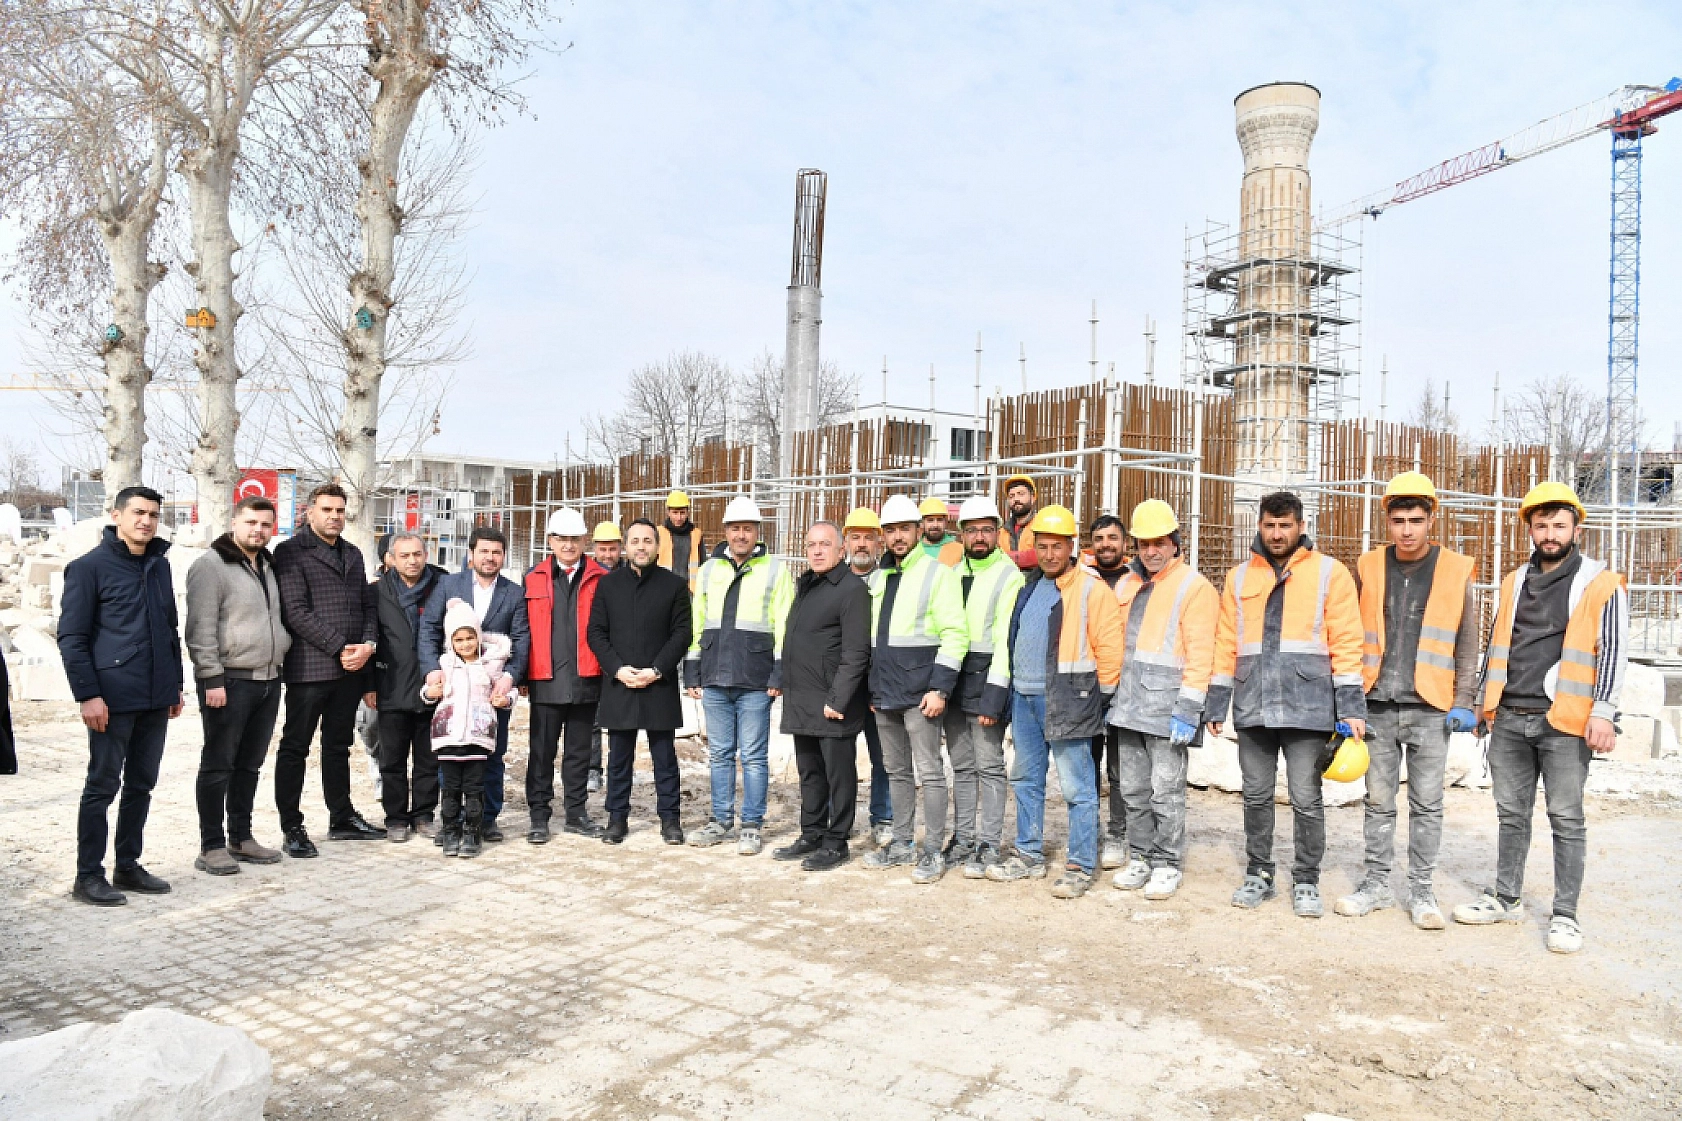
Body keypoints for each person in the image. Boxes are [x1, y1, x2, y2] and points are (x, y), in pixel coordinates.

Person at [1454, 481, 1627, 956]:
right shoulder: (1514, 581)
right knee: (1512, 816)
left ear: (1576, 528)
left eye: (1559, 525)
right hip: (1510, 715)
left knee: (1566, 818)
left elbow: (1610, 651)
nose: (1550, 534)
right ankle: (1507, 897)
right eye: (1541, 525)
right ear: (1529, 528)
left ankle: (1565, 916)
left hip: (1565, 722)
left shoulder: (1599, 583)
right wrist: (1482, 705)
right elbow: (1496, 644)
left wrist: (1604, 713)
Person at [1206, 490, 1366, 919]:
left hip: (1307, 705)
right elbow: (1226, 642)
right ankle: (1259, 872)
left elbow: (1348, 641)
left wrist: (1351, 707)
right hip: (1254, 703)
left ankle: (1307, 879)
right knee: (1256, 796)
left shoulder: (1331, 574)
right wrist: (1217, 702)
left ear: (1300, 526)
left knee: (1305, 798)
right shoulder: (1239, 577)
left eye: (1285, 526)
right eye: (1270, 526)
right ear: (1259, 526)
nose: (1277, 534)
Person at [1339, 473, 1481, 929]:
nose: (1406, 530)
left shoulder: (1455, 571)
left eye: (1416, 520)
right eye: (1398, 520)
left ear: (1431, 519)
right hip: (1376, 700)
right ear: (1387, 520)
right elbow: (1346, 634)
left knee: (1427, 803)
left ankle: (1421, 890)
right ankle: (1377, 885)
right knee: (1377, 801)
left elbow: (1467, 642)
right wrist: (1346, 699)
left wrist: (1465, 699)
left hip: (1431, 705)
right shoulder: (1368, 566)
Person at [986, 504, 1123, 899]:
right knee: (1026, 779)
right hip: (1026, 698)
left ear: (1071, 547)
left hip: (1069, 699)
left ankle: (1080, 864)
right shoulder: (1030, 586)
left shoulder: (1092, 589)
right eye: (1042, 546)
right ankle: (1028, 855)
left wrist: (1101, 700)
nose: (1049, 554)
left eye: (1056, 546)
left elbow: (1110, 650)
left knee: (1078, 787)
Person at [58, 485, 185, 906]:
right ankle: (87, 875)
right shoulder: (88, 568)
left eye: (152, 514)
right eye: (137, 513)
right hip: (112, 699)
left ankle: (127, 865)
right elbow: (73, 639)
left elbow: (169, 630)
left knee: (141, 785)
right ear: (116, 515)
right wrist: (88, 695)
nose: (146, 521)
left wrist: (173, 687)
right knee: (101, 787)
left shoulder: (159, 566)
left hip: (154, 697)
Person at [1105, 500, 1216, 901]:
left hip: (1168, 711)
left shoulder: (1194, 587)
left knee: (1165, 792)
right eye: (1144, 543)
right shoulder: (1128, 584)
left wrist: (1189, 709)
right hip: (1129, 705)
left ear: (1174, 542)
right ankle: (1142, 857)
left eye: (1159, 542)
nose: (1151, 551)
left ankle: (1167, 863)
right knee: (1132, 791)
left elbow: (1202, 653)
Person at [862, 494, 969, 883]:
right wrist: (873, 690)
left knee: (930, 772)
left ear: (918, 530)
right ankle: (902, 842)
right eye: (889, 531)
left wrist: (940, 688)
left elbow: (956, 634)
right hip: (886, 691)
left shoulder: (938, 574)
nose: (897, 537)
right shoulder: (879, 578)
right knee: (896, 771)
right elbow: (874, 638)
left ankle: (932, 851)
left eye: (904, 529)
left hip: (921, 691)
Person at [273, 483, 383, 856]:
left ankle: (341, 817)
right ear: (309, 512)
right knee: (295, 747)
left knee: (338, 746)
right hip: (311, 667)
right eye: (327, 510)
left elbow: (367, 606)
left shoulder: (353, 553)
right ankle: (292, 826)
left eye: (339, 510)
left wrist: (367, 646)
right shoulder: (290, 552)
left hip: (351, 670)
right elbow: (295, 611)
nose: (334, 516)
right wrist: (341, 647)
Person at [185, 494, 291, 875]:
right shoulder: (210, 566)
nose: (258, 530)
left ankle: (241, 838)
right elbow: (199, 629)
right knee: (218, 764)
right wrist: (211, 678)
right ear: (235, 522)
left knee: (250, 764)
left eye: (265, 524)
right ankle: (211, 845)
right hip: (229, 680)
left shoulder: (268, 564)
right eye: (251, 523)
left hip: (268, 679)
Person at [684, 496, 794, 855]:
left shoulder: (775, 570)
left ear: (758, 532)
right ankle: (719, 820)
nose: (741, 535)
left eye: (748, 529)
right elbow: (698, 621)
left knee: (753, 756)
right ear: (726, 532)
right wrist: (693, 670)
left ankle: (751, 824)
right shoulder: (709, 570)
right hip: (716, 675)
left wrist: (779, 672)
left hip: (756, 678)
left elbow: (784, 624)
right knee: (719, 754)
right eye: (735, 528)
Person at [420, 526, 530, 844]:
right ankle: (450, 821)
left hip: (491, 689)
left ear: (503, 556)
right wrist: (431, 672)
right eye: (484, 551)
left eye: (496, 552)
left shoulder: (513, 592)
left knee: (491, 755)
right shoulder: (448, 584)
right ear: (471, 554)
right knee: (451, 756)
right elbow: (428, 629)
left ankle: (487, 818)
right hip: (453, 687)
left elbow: (522, 639)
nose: (490, 557)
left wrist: (510, 678)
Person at [771, 521, 871, 871]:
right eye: (811, 544)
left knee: (838, 774)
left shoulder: (851, 589)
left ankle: (836, 841)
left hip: (832, 703)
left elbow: (856, 653)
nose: (816, 550)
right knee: (810, 771)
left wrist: (838, 699)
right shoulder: (807, 585)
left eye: (824, 544)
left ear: (840, 550)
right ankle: (811, 832)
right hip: (802, 699)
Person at [587, 519, 692, 845]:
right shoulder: (608, 585)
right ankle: (617, 819)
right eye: (635, 541)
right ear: (625, 546)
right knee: (618, 757)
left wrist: (658, 669)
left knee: (664, 757)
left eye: (648, 541)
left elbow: (683, 633)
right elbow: (596, 633)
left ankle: (670, 820)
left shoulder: (674, 585)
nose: (641, 547)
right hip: (621, 683)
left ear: (657, 546)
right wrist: (617, 669)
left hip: (658, 683)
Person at [945, 496, 1024, 879]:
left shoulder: (1008, 575)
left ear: (998, 533)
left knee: (989, 767)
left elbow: (1004, 644)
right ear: (961, 534)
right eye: (972, 530)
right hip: (954, 678)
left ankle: (989, 843)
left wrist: (995, 697)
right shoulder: (953, 572)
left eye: (987, 530)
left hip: (985, 679)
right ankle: (962, 838)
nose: (979, 536)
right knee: (961, 766)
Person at [522, 508, 608, 842]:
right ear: (550, 541)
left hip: (586, 678)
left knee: (578, 753)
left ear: (584, 540)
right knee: (541, 753)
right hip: (545, 680)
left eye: (574, 539)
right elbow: (522, 630)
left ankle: (576, 814)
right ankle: (539, 817)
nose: (568, 545)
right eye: (561, 538)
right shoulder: (533, 577)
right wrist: (521, 675)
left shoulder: (601, 578)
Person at [368, 532, 447, 843]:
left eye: (417, 554)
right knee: (393, 760)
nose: (412, 561)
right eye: (405, 556)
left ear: (425, 554)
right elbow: (369, 637)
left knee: (429, 758)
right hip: (391, 685)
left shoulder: (442, 585)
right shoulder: (377, 592)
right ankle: (396, 818)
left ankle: (424, 815)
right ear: (391, 559)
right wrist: (369, 685)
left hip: (433, 684)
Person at [422, 601, 515, 858]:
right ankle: (451, 830)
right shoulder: (444, 665)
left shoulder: (490, 665)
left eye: (469, 638)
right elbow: (428, 693)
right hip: (449, 737)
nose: (465, 644)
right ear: (451, 641)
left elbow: (508, 692)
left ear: (478, 637)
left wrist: (504, 700)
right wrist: (430, 693)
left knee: (474, 788)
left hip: (477, 738)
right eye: (459, 639)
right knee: (450, 788)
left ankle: (473, 832)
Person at [844, 506, 894, 845]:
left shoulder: (890, 580)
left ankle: (884, 818)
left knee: (884, 758)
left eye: (869, 538)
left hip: (880, 686)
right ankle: (841, 817)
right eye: (855, 537)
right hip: (844, 687)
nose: (862, 544)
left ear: (880, 543)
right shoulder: (833, 580)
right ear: (845, 542)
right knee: (840, 758)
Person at [1086, 512, 1130, 869]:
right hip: (1083, 686)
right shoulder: (1080, 579)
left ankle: (1118, 833)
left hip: (1124, 687)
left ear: (1125, 543)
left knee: (1118, 767)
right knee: (1086, 763)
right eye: (1099, 540)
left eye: (1112, 539)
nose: (1106, 546)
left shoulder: (1136, 581)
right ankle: (1088, 829)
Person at [657, 490, 705, 587]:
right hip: (664, 588)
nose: (679, 517)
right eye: (675, 513)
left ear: (688, 512)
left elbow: (703, 565)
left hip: (690, 591)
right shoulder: (658, 533)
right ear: (668, 512)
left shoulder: (696, 534)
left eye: (682, 513)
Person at [1001, 474, 1040, 570]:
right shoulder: (1002, 531)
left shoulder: (1042, 526)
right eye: (1011, 496)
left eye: (1021, 494)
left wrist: (1006, 558)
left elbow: (1041, 556)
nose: (1016, 499)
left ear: (1033, 497)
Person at [918, 497, 963, 565]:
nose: (935, 525)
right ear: (922, 523)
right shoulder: (914, 550)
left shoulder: (960, 550)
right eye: (930, 520)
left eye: (939, 520)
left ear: (945, 522)